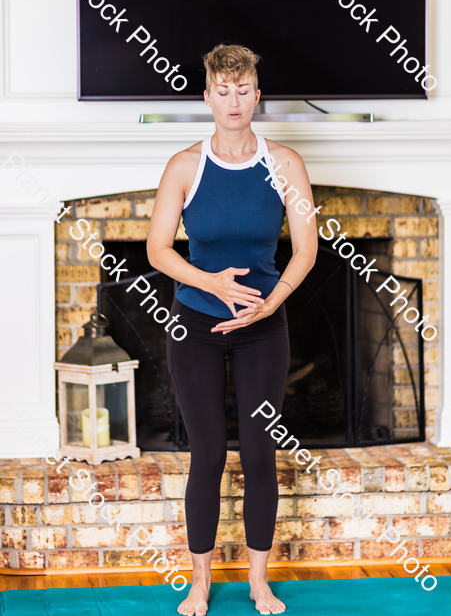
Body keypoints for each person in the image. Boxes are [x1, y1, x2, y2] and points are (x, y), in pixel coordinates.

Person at [147, 44, 318, 616]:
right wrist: (211, 284)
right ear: (208, 97)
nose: (234, 101)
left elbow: (307, 250)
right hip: (196, 321)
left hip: (263, 327)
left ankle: (258, 581)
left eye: (243, 90)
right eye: (223, 91)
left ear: (257, 95)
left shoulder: (285, 163)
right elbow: (157, 249)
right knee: (209, 452)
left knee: (261, 452)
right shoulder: (185, 165)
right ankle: (198, 583)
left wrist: (274, 302)